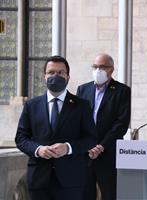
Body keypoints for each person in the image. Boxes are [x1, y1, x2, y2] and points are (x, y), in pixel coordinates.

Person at [15, 56, 97, 200]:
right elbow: (21, 138)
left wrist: (68, 147)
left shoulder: (81, 105)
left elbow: (91, 139)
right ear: (44, 77)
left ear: (67, 77)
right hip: (39, 179)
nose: (55, 76)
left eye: (60, 73)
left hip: (71, 181)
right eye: (51, 72)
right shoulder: (32, 105)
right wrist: (38, 149)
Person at [76, 53, 131, 200]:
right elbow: (77, 120)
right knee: (84, 194)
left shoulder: (122, 91)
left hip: (108, 154)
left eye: (102, 67)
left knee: (110, 194)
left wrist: (101, 146)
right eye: (95, 67)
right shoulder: (83, 90)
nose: (98, 70)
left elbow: (121, 124)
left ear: (111, 70)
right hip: (85, 154)